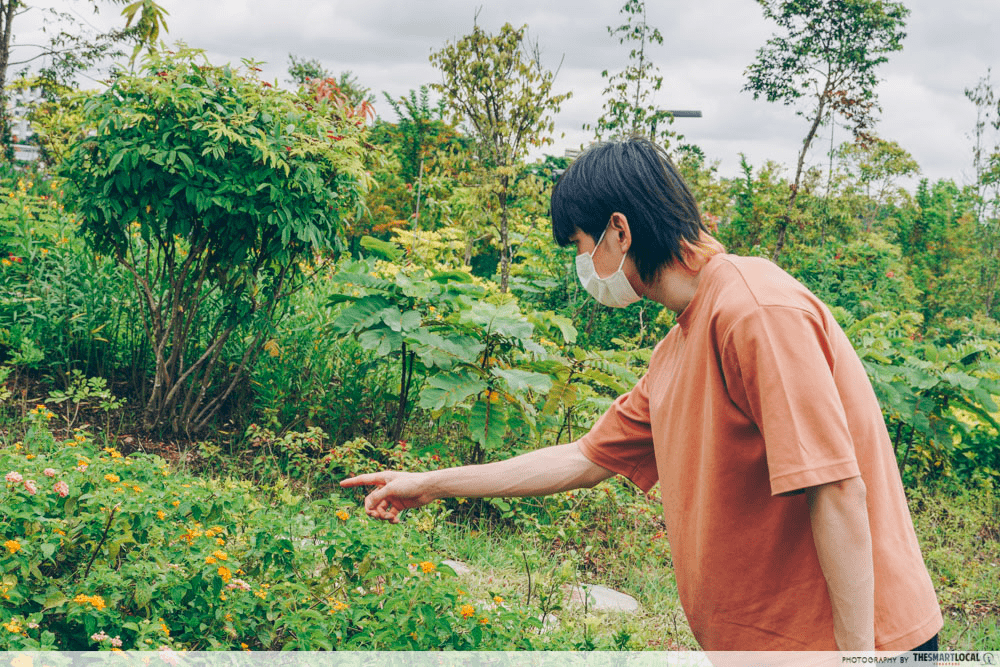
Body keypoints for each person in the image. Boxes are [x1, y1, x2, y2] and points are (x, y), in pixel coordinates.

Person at [340, 136, 942, 653]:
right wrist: (429, 483)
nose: (582, 264)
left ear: (619, 231)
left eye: (580, 244)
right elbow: (584, 457)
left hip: (857, 646)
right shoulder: (678, 347)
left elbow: (835, 486)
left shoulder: (755, 311)